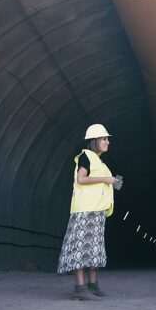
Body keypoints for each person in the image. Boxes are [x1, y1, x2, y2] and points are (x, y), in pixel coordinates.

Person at [57, 124, 119, 301]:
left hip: (97, 210)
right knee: (80, 248)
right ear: (95, 141)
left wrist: (112, 182)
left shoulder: (100, 162)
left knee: (94, 249)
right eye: (104, 139)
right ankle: (80, 288)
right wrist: (106, 179)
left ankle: (93, 286)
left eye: (107, 139)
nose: (107, 142)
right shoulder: (86, 156)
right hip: (84, 210)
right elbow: (81, 178)